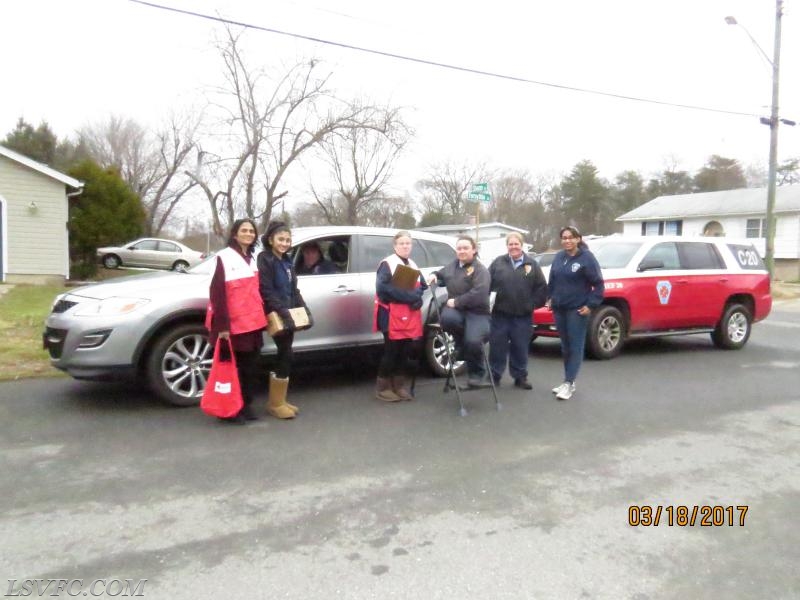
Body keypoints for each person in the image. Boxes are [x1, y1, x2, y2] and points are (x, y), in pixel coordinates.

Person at [206, 218, 268, 424]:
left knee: (251, 368)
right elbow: (217, 294)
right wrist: (222, 326)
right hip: (234, 325)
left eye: (252, 231)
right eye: (244, 230)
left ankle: (245, 404)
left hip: (253, 323)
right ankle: (231, 409)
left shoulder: (252, 258)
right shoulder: (224, 258)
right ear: (235, 234)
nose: (249, 234)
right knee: (235, 369)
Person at [258, 221, 313, 419]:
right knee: (285, 353)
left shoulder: (287, 260)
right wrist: (283, 312)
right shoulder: (265, 259)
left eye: (288, 240)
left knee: (285, 354)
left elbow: (293, 289)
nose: (284, 243)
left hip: (288, 312)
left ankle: (279, 400)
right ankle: (275, 403)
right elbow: (266, 290)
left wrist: (303, 309)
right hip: (276, 314)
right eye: (281, 239)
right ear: (271, 239)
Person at [547, 226, 604, 401]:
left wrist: (591, 304)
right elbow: (553, 280)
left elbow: (599, 285)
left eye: (571, 237)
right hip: (559, 308)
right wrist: (550, 298)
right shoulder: (559, 257)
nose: (567, 241)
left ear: (578, 239)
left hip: (577, 310)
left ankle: (569, 382)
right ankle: (567, 381)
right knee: (565, 347)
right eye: (564, 238)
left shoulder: (587, 258)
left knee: (575, 346)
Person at [429, 235, 492, 388]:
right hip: (457, 312)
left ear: (474, 250)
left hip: (478, 313)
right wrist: (434, 275)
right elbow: (441, 273)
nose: (462, 251)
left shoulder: (480, 270)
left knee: (473, 341)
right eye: (459, 248)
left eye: (465, 248)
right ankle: (462, 347)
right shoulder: (452, 266)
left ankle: (477, 374)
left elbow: (479, 293)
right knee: (446, 319)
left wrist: (456, 301)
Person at [488, 232, 548, 389]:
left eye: (516, 244)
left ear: (522, 245)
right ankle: (494, 376)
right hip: (500, 314)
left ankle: (520, 376)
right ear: (507, 246)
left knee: (520, 346)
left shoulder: (532, 265)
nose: (513, 247)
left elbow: (541, 288)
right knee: (497, 347)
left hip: (522, 316)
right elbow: (487, 283)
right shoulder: (498, 263)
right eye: (510, 244)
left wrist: (532, 305)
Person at [374, 230, 428, 401]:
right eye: (402, 243)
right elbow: (383, 290)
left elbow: (422, 285)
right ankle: (383, 388)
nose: (405, 246)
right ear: (395, 245)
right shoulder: (387, 264)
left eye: (408, 243)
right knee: (391, 350)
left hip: (408, 314)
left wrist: (417, 298)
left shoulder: (412, 264)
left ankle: (399, 386)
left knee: (405, 351)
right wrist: (411, 297)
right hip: (390, 313)